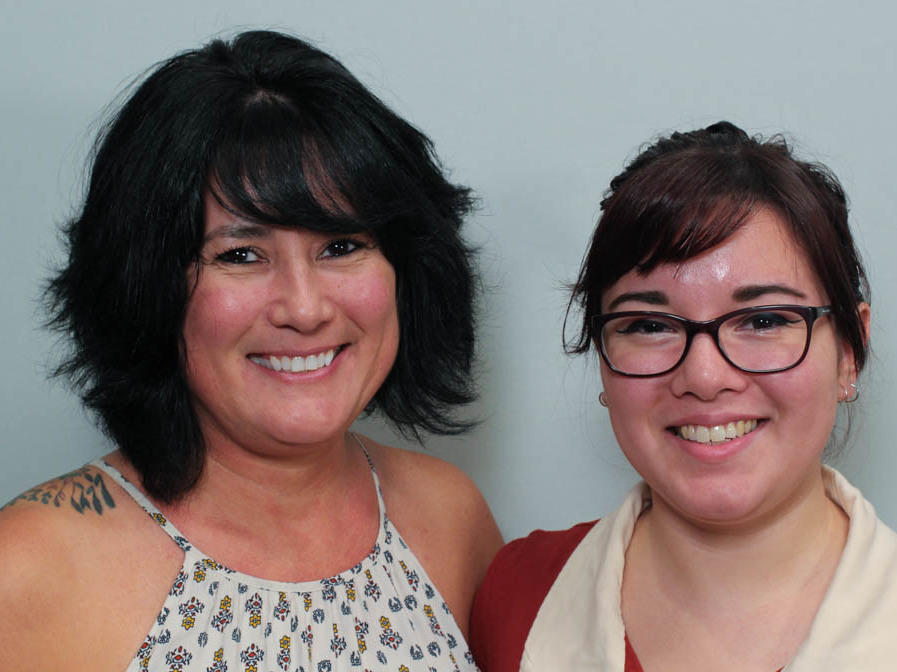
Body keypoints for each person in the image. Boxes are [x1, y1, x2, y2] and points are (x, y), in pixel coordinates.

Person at [0, 30, 502, 670]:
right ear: (146, 286)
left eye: (341, 245)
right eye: (241, 255)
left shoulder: (449, 515)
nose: (305, 307)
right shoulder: (30, 567)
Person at [470, 121, 897, 671]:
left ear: (849, 350)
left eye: (763, 319)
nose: (704, 375)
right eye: (648, 325)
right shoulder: (516, 595)